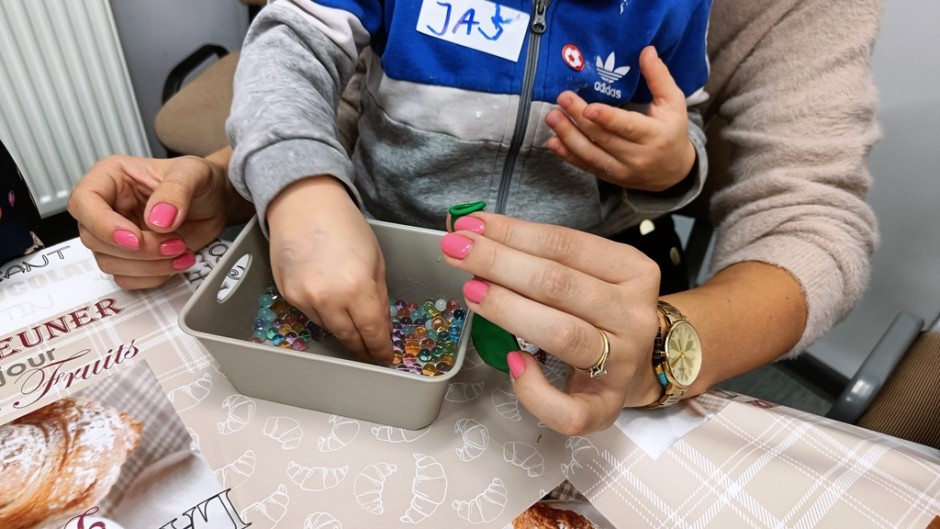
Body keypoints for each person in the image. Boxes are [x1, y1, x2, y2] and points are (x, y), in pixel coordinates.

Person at [68, 0, 881, 436]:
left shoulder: (671, 11)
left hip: (557, 309)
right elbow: (302, 48)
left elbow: (736, 161)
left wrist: (673, 169)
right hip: (379, 258)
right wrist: (287, 184)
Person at [226, 0, 711, 364]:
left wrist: (672, 167)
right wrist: (302, 188)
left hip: (559, 294)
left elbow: (677, 115)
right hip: (380, 261)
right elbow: (292, 41)